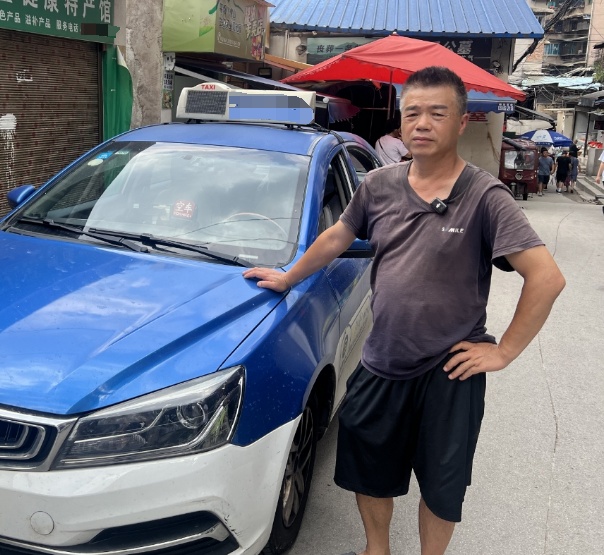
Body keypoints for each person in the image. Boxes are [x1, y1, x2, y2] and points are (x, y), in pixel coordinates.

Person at [243, 66, 565, 555]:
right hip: (382, 360)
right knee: (368, 468)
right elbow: (337, 236)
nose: (422, 124)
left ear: (462, 122)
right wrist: (288, 277)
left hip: (449, 372)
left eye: (437, 113)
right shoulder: (378, 185)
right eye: (412, 113)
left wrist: (504, 351)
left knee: (441, 484)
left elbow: (546, 277)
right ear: (401, 119)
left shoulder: (486, 196)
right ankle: (378, 549)